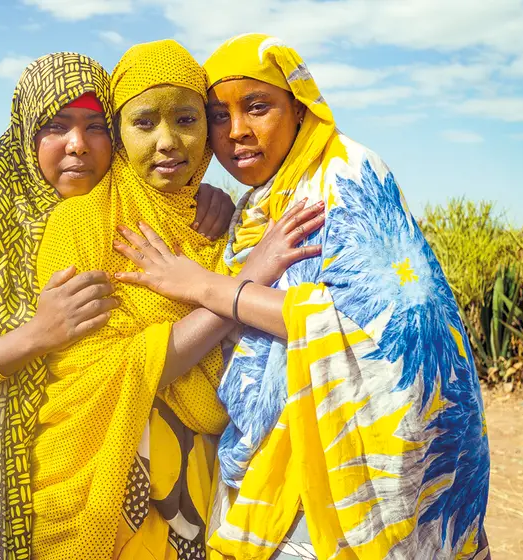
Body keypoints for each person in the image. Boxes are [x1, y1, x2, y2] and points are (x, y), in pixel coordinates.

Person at [112, 33, 492, 559]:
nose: (237, 132)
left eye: (258, 107)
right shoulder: (253, 207)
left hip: (349, 471)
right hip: (273, 464)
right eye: (219, 115)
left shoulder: (347, 178)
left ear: (299, 107)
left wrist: (208, 286)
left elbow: (375, 329)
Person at [0, 52, 237, 559]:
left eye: (96, 127)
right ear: (25, 134)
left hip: (71, 466)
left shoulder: (123, 213)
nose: (77, 146)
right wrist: (31, 338)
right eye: (55, 127)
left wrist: (211, 199)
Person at [29, 39, 322, 560]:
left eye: (186, 119)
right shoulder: (80, 223)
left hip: (210, 472)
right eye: (144, 123)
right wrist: (241, 286)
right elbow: (97, 367)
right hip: (113, 471)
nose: (168, 142)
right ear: (119, 132)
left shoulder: (223, 221)